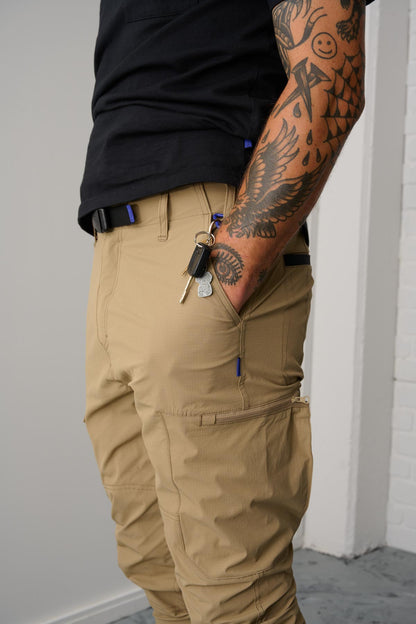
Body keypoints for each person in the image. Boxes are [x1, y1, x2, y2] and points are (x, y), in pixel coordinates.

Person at [79, 1, 374, 622]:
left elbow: (330, 77)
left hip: (206, 243)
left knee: (237, 593)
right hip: (117, 246)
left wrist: (233, 264)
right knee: (154, 559)